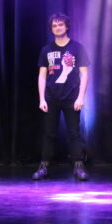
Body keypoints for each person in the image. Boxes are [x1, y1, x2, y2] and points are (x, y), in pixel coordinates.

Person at [33, 13, 91, 180]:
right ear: (51, 29)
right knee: (49, 133)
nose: (57, 28)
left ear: (66, 27)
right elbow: (42, 76)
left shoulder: (77, 48)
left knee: (74, 133)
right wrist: (42, 98)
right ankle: (44, 166)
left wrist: (81, 97)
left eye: (60, 25)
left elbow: (84, 74)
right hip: (51, 97)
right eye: (54, 25)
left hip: (71, 97)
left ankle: (78, 166)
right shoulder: (46, 50)